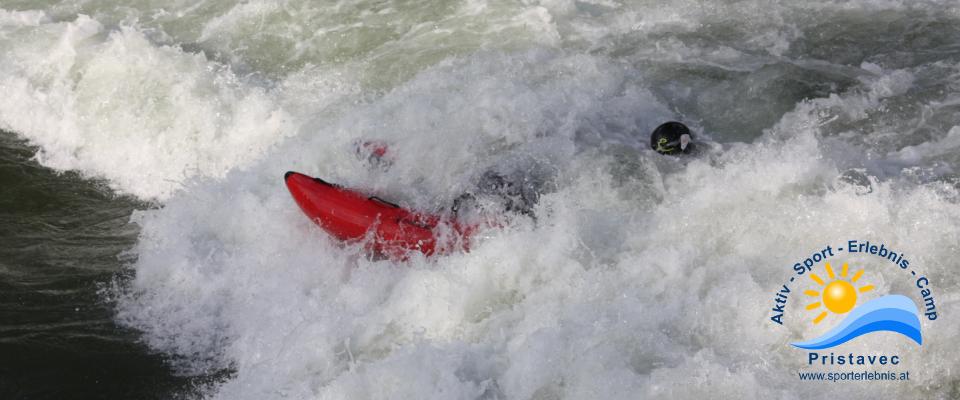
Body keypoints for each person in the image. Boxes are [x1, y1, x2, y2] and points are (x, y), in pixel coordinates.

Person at [358, 121, 696, 217]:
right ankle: (406, 198)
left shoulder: (614, 137)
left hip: (513, 169)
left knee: (457, 193)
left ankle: (390, 170)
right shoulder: (638, 170)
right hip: (517, 183)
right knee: (457, 204)